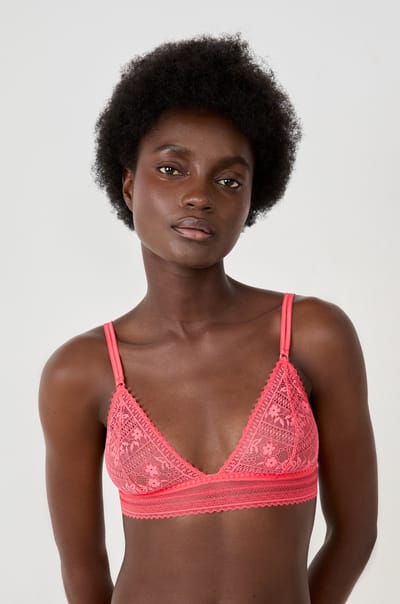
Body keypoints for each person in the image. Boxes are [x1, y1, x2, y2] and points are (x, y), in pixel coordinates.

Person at [39, 33, 377, 604]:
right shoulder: (80, 372)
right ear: (129, 185)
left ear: (251, 200)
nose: (199, 196)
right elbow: (83, 572)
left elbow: (355, 535)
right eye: (172, 169)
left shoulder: (312, 336)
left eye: (228, 180)